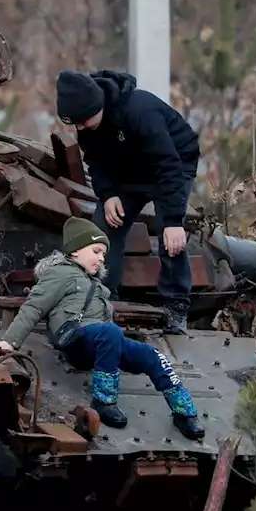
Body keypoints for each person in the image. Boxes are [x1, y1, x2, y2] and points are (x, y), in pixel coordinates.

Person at [0, 217, 205, 440]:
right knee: (110, 333)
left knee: (153, 356)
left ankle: (184, 412)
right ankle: (104, 401)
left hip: (103, 342)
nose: (101, 258)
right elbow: (33, 306)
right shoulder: (59, 274)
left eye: (103, 254)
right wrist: (10, 342)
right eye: (96, 251)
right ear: (75, 251)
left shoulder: (97, 286)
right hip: (77, 341)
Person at [55, 69, 200, 336]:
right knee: (101, 231)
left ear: (97, 106)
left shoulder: (140, 112)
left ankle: (176, 306)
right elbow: (97, 163)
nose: (80, 128)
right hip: (128, 170)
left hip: (173, 164)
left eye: (84, 121)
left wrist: (172, 221)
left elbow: (168, 165)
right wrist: (108, 195)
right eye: (75, 124)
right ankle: (104, 297)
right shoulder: (87, 126)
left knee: (171, 239)